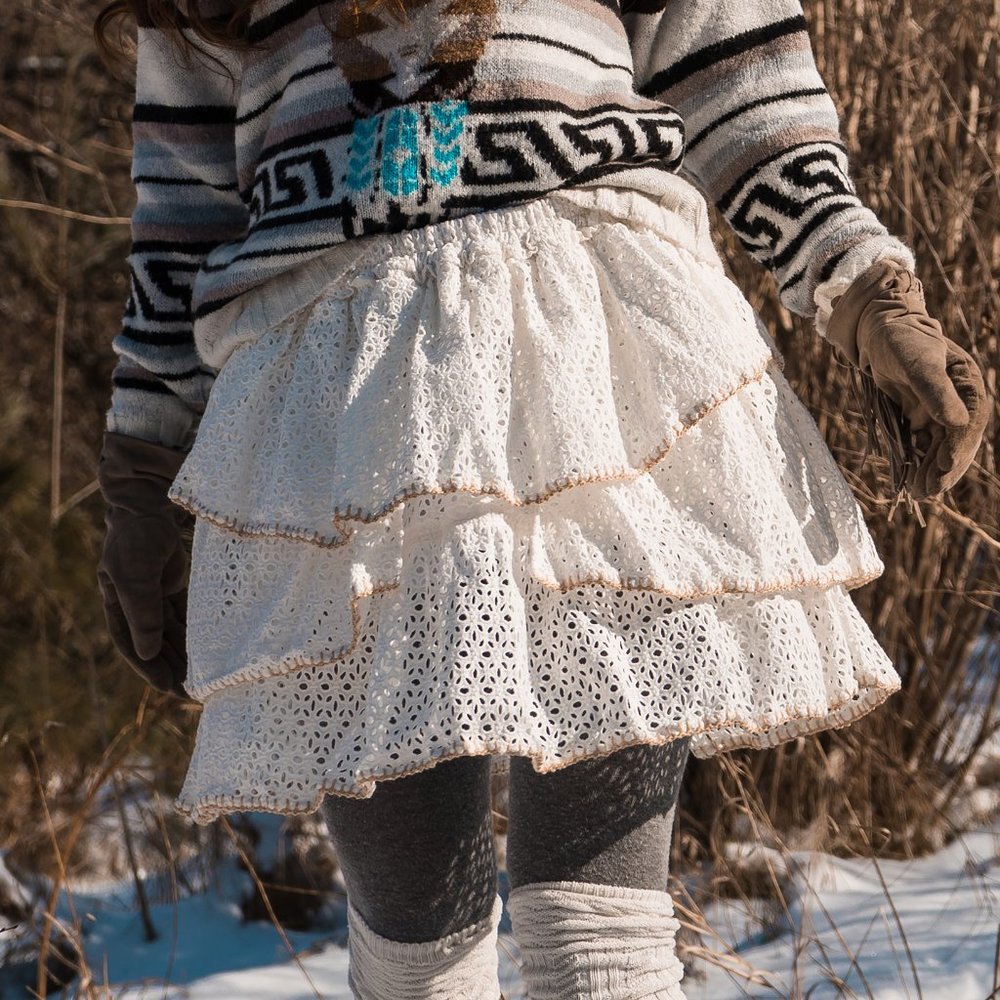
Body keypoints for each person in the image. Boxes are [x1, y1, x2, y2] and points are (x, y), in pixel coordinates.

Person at [94, 0, 989, 997]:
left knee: (596, 930)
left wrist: (866, 288)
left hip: (596, 362)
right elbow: (182, 212)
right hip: (336, 407)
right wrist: (144, 457)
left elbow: (740, 73)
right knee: (417, 951)